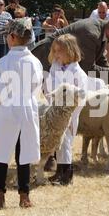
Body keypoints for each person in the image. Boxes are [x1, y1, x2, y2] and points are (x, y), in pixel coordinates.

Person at [0, 18, 43, 208]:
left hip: (6, 110)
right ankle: (24, 195)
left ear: (12, 37)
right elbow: (36, 87)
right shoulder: (35, 62)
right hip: (26, 109)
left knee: (2, 153)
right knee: (23, 153)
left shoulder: (1, 63)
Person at [43, 34, 88, 185]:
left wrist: (69, 116)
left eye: (59, 51)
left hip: (69, 114)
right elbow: (49, 88)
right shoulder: (55, 67)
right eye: (54, 51)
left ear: (69, 51)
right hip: (55, 111)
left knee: (66, 142)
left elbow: (80, 97)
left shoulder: (78, 73)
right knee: (58, 143)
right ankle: (59, 172)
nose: (56, 54)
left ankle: (67, 175)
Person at [32, 16, 109, 77]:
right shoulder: (91, 34)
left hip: (56, 60)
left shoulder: (101, 30)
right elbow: (88, 68)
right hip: (45, 56)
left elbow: (99, 58)